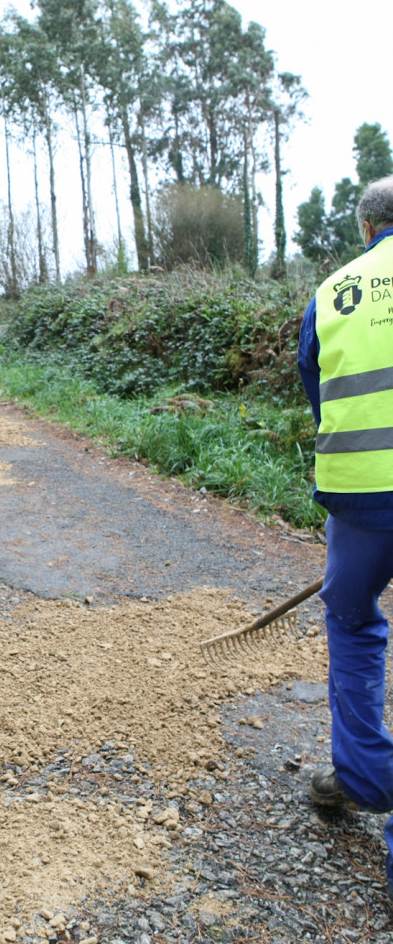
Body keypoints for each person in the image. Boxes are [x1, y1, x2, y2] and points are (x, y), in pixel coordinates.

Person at [298, 174, 393, 898]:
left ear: (365, 229)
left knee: (351, 620)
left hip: (360, 497)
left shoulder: (334, 291)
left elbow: (315, 382)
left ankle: (364, 774)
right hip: (362, 495)